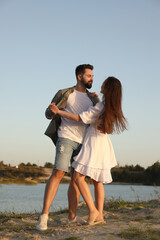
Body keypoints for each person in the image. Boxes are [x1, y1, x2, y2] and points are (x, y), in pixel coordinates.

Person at [50, 76, 128, 225]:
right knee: (97, 181)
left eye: (104, 83)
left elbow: (80, 118)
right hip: (103, 144)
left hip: (94, 143)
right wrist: (97, 99)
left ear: (108, 88)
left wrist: (59, 112)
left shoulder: (101, 106)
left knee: (78, 177)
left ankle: (93, 210)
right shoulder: (111, 106)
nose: (101, 83)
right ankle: (100, 215)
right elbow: (98, 111)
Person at [36, 64, 99, 231]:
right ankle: (44, 217)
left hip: (84, 141)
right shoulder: (64, 92)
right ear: (79, 76)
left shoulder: (93, 98)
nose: (92, 78)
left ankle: (72, 216)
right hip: (66, 137)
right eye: (89, 76)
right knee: (58, 172)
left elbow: (98, 117)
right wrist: (52, 111)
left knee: (76, 179)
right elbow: (48, 113)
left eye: (92, 76)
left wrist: (98, 100)